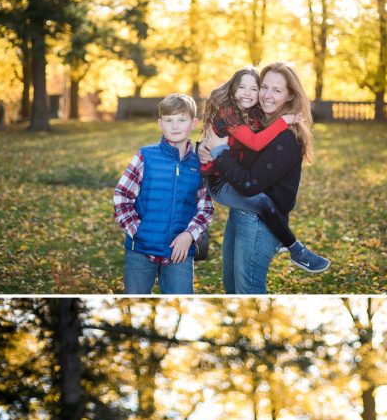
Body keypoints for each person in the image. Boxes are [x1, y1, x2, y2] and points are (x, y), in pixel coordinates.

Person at [199, 62, 329, 293]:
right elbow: (232, 146)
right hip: (239, 212)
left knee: (247, 291)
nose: (266, 95)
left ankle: (293, 247)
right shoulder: (254, 119)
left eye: (277, 90)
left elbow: (250, 185)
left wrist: (219, 152)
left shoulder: (286, 138)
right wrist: (206, 149)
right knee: (232, 288)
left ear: (290, 97)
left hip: (258, 221)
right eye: (264, 87)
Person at [113, 93, 213, 294]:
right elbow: (122, 195)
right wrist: (137, 232)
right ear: (160, 124)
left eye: (181, 120)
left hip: (179, 253)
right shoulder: (145, 156)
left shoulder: (199, 163)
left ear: (193, 123)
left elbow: (206, 206)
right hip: (140, 251)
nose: (175, 126)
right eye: (169, 120)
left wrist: (189, 235)